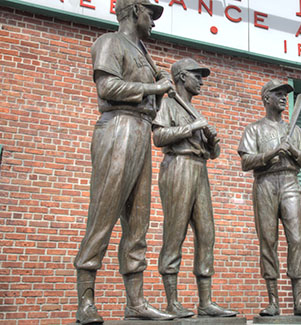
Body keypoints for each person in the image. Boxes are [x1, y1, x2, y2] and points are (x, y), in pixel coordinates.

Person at [73, 0, 176, 323]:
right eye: (150, 14)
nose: (153, 22)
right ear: (134, 12)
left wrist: (159, 90)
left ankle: (136, 302)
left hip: (142, 129)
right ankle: (86, 303)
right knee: (103, 214)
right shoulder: (110, 42)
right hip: (117, 127)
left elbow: (153, 101)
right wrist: (153, 86)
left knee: (138, 220)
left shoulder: (143, 53)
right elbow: (107, 86)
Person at [152, 58, 238, 318]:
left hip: (200, 169)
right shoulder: (168, 104)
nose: (201, 81)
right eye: (196, 75)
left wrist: (213, 140)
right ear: (180, 78)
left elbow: (215, 154)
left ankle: (206, 302)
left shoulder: (195, 110)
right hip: (178, 166)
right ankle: (172, 302)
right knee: (175, 232)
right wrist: (191, 127)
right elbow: (158, 137)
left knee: (207, 233)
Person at [237, 80, 301, 317]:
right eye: (278, 94)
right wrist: (271, 154)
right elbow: (245, 162)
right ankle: (273, 300)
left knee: (297, 239)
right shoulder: (254, 129)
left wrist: (292, 151)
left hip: (290, 182)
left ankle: (300, 301)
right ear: (266, 99)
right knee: (268, 240)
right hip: (265, 183)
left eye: (285, 94)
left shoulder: (295, 131)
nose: (284, 97)